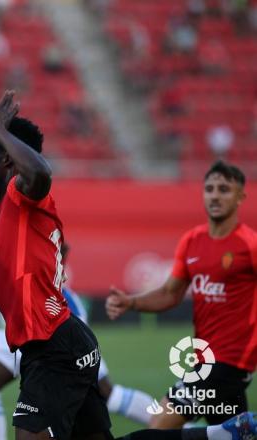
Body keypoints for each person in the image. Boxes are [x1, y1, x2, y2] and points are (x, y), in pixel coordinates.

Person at [0, 90, 256, 440]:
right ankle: (220, 435)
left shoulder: (23, 192)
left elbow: (40, 172)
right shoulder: (8, 211)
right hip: (56, 345)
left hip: (54, 347)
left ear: (9, 161)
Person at [0, 236, 156, 440]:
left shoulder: (23, 209)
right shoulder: (1, 218)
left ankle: (168, 418)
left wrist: (50, 274)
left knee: (103, 393)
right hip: (21, 322)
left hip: (52, 315)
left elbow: (60, 247)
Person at [106, 160, 256, 430]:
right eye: (209, 188)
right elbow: (170, 293)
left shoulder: (250, 245)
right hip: (207, 359)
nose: (215, 195)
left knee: (161, 423)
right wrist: (132, 302)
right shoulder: (192, 240)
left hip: (230, 362)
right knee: (229, 435)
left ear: (240, 197)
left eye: (224, 189)